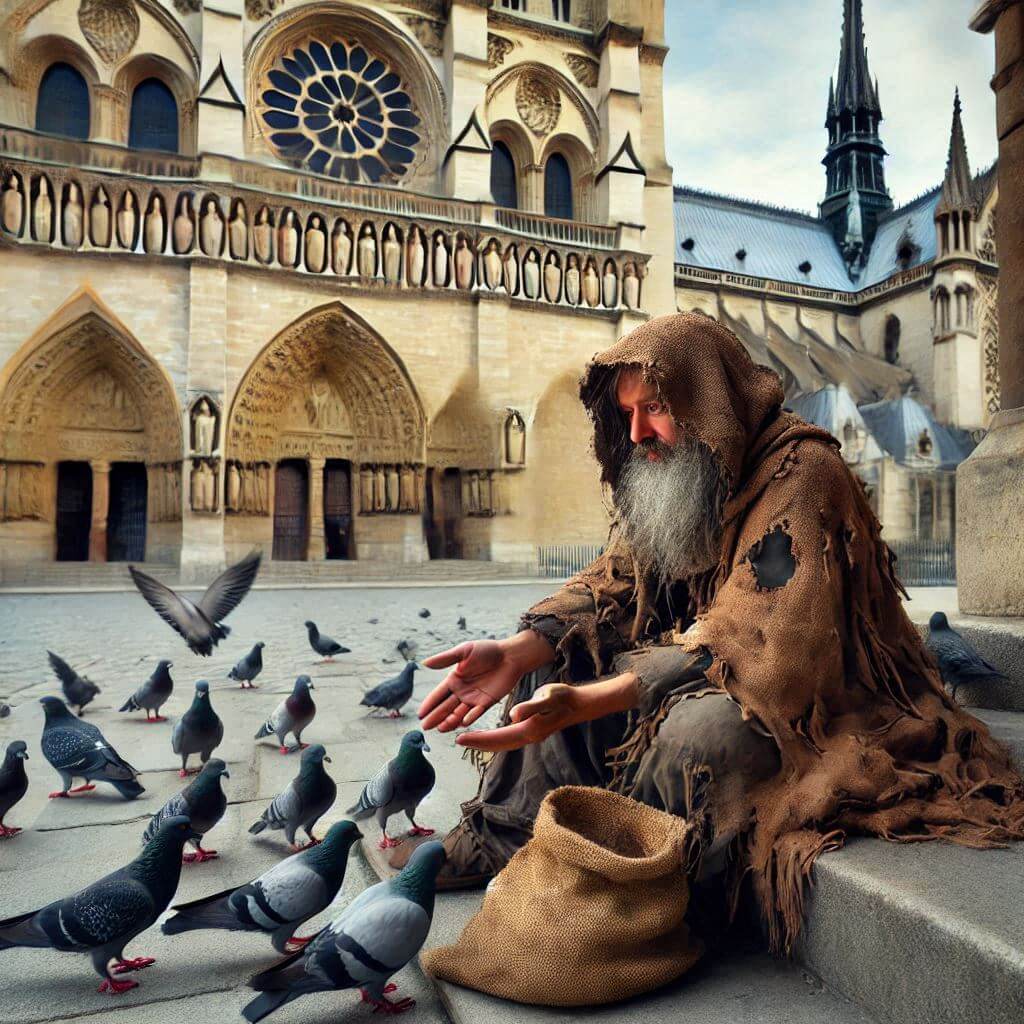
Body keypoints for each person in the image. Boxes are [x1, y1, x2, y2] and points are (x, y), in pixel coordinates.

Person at [399, 312, 1024, 953]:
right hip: (702, 663)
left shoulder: (801, 472)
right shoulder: (688, 472)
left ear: (708, 401)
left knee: (700, 733)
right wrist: (521, 649)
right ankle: (507, 833)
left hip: (812, 702)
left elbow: (760, 638)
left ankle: (642, 881)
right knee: (557, 657)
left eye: (656, 408)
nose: (639, 432)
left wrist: (596, 699)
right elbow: (618, 578)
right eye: (629, 413)